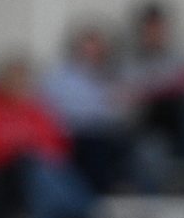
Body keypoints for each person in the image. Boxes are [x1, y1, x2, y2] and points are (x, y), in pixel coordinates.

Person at [0, 58, 97, 218]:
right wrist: (15, 149)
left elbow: (58, 147)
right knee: (33, 170)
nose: (19, 84)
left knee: (49, 171)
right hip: (1, 177)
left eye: (23, 79)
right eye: (14, 78)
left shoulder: (38, 111)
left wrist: (33, 151)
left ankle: (75, 216)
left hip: (40, 171)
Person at [123, 0, 184, 193]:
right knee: (148, 153)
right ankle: (152, 209)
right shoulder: (130, 62)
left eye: (159, 28)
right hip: (151, 128)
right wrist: (172, 84)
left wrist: (159, 86)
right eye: (150, 29)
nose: (155, 34)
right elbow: (128, 96)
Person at [40, 24, 136, 198]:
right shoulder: (59, 77)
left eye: (98, 46)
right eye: (89, 46)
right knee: (93, 145)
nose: (93, 52)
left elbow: (125, 110)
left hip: (108, 135)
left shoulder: (114, 74)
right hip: (74, 135)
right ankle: (94, 198)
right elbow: (55, 110)